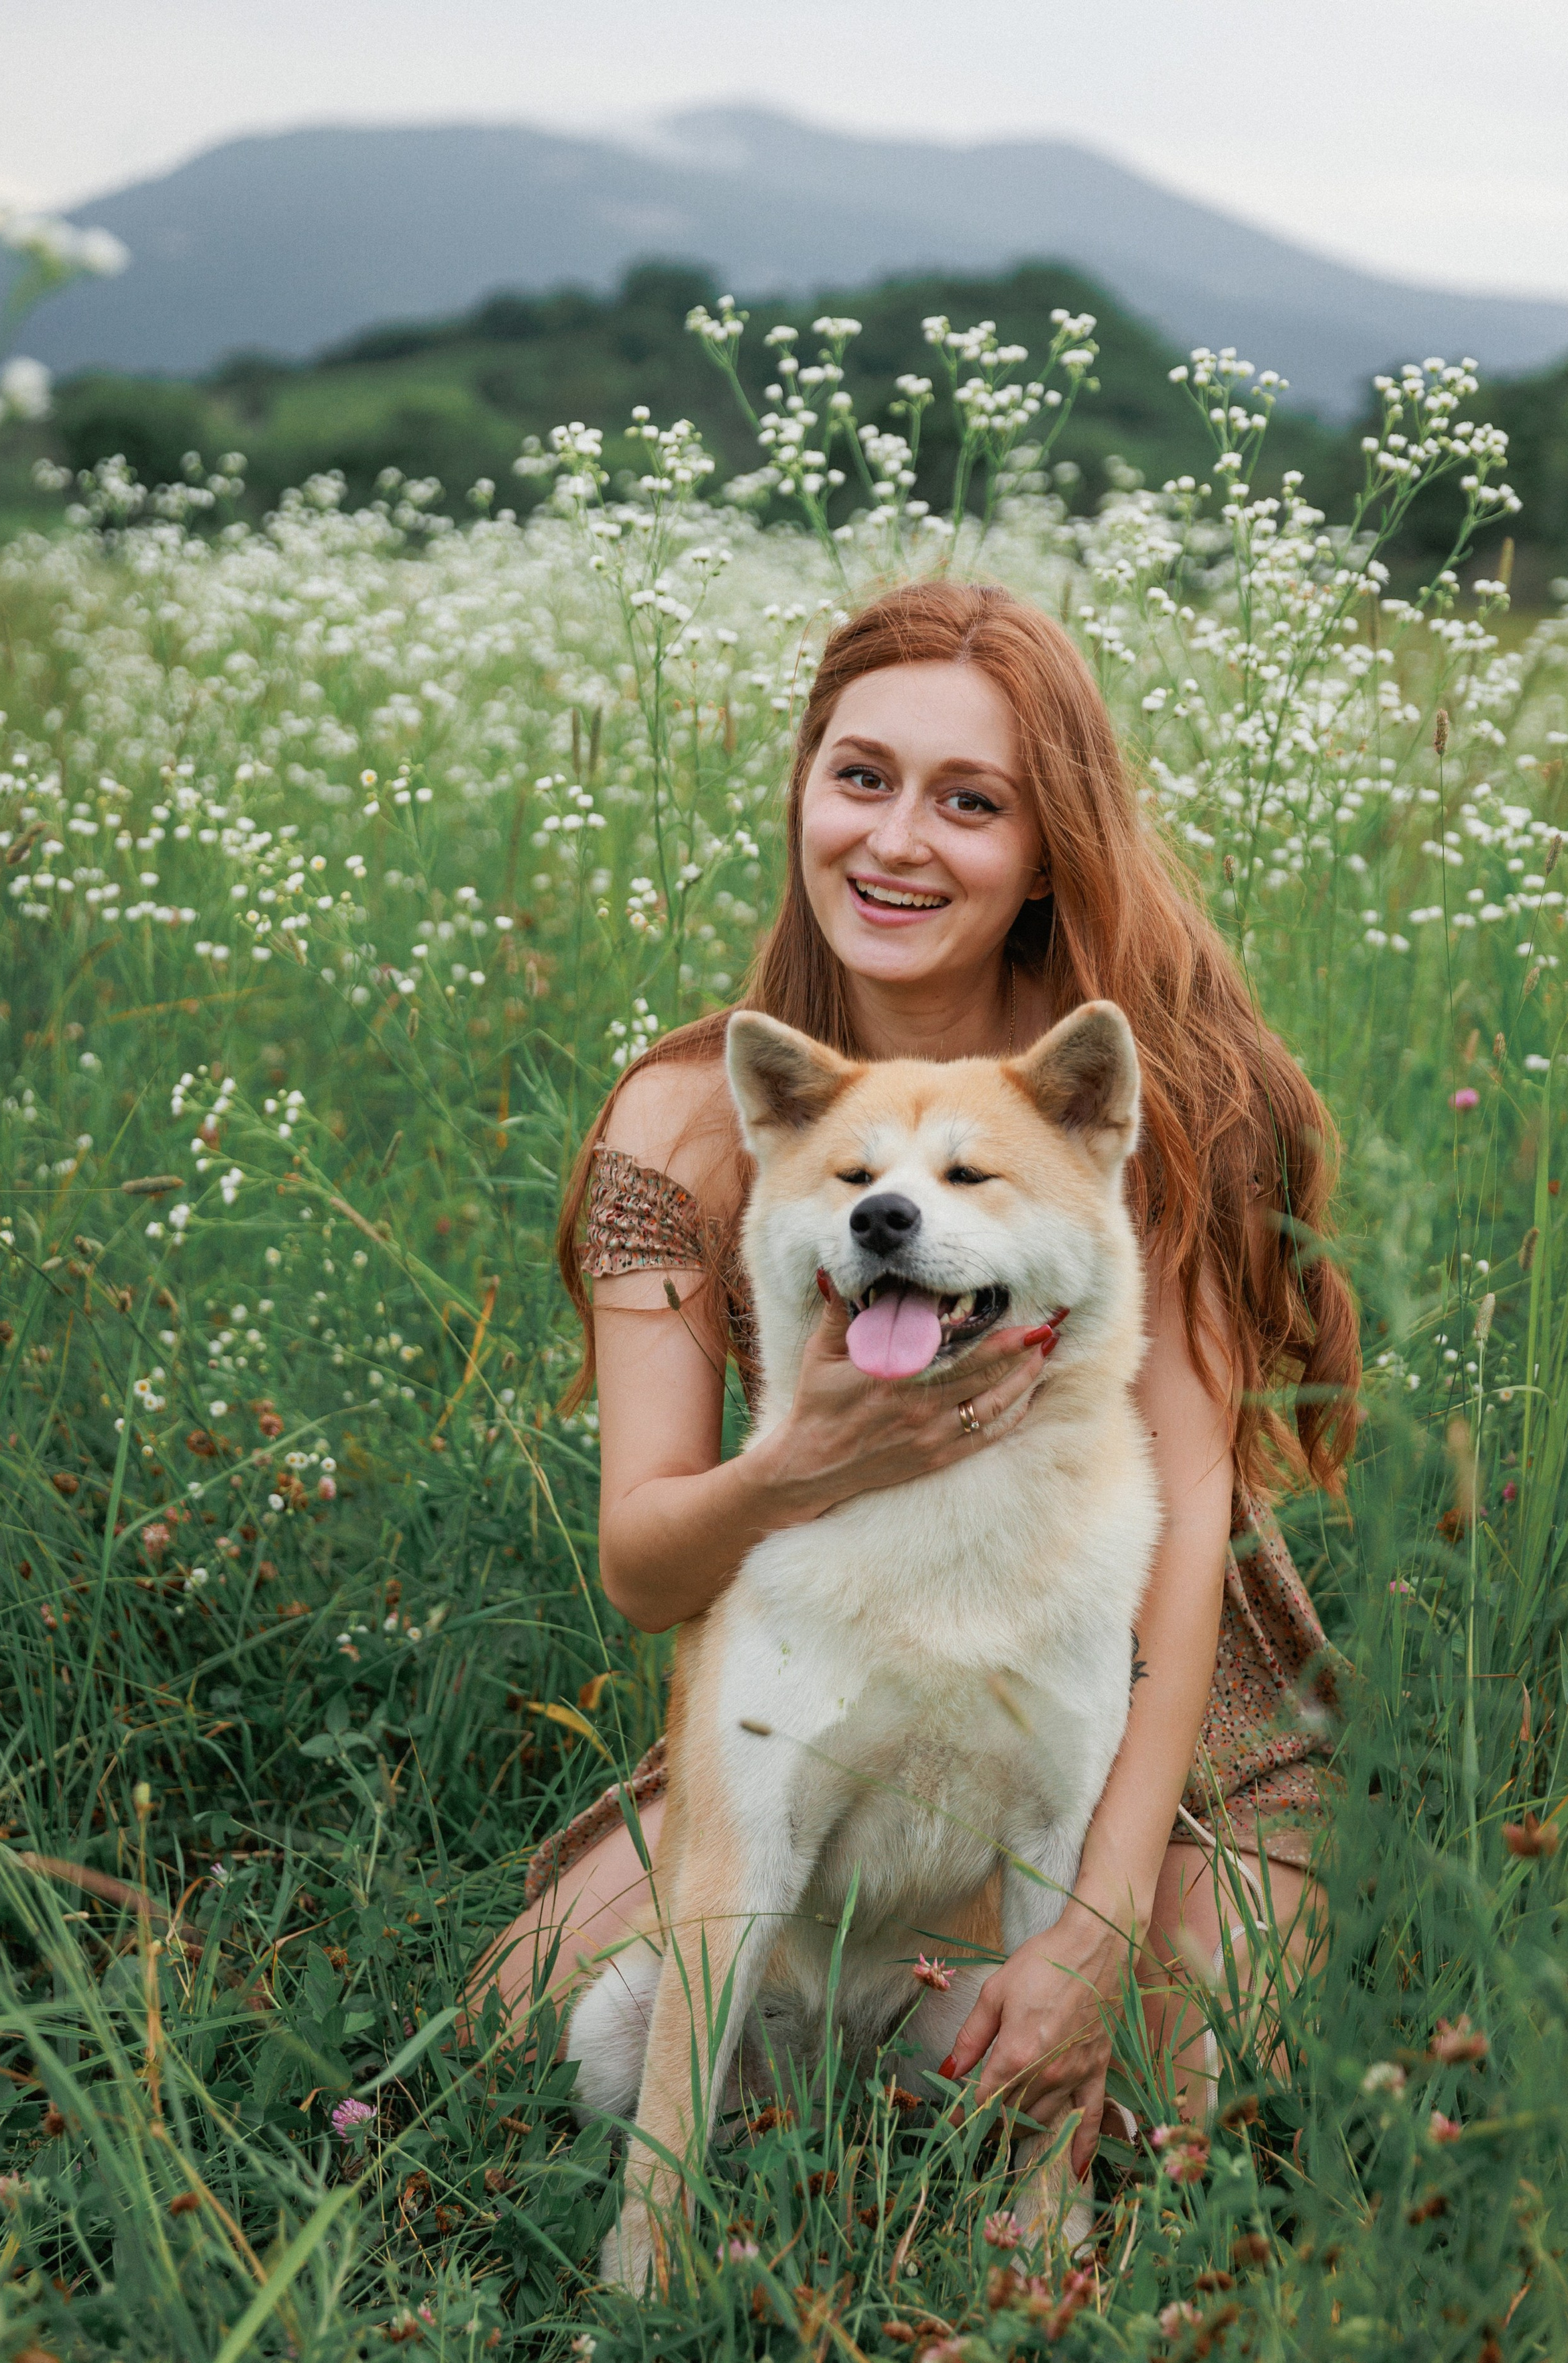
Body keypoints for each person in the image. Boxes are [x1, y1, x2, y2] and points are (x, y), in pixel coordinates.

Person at [480, 580, 1357, 2179]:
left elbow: (1182, 1542)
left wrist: (1094, 1925)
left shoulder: (1132, 1098)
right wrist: (803, 1464)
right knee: (535, 2021)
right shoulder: (685, 1117)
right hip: (838, 1685)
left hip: (1148, 1707)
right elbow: (641, 1563)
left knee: (1192, 2090)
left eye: (970, 803)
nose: (895, 841)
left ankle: (1020, 2020)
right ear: (804, 787)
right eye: (861, 776)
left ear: (1044, 851)